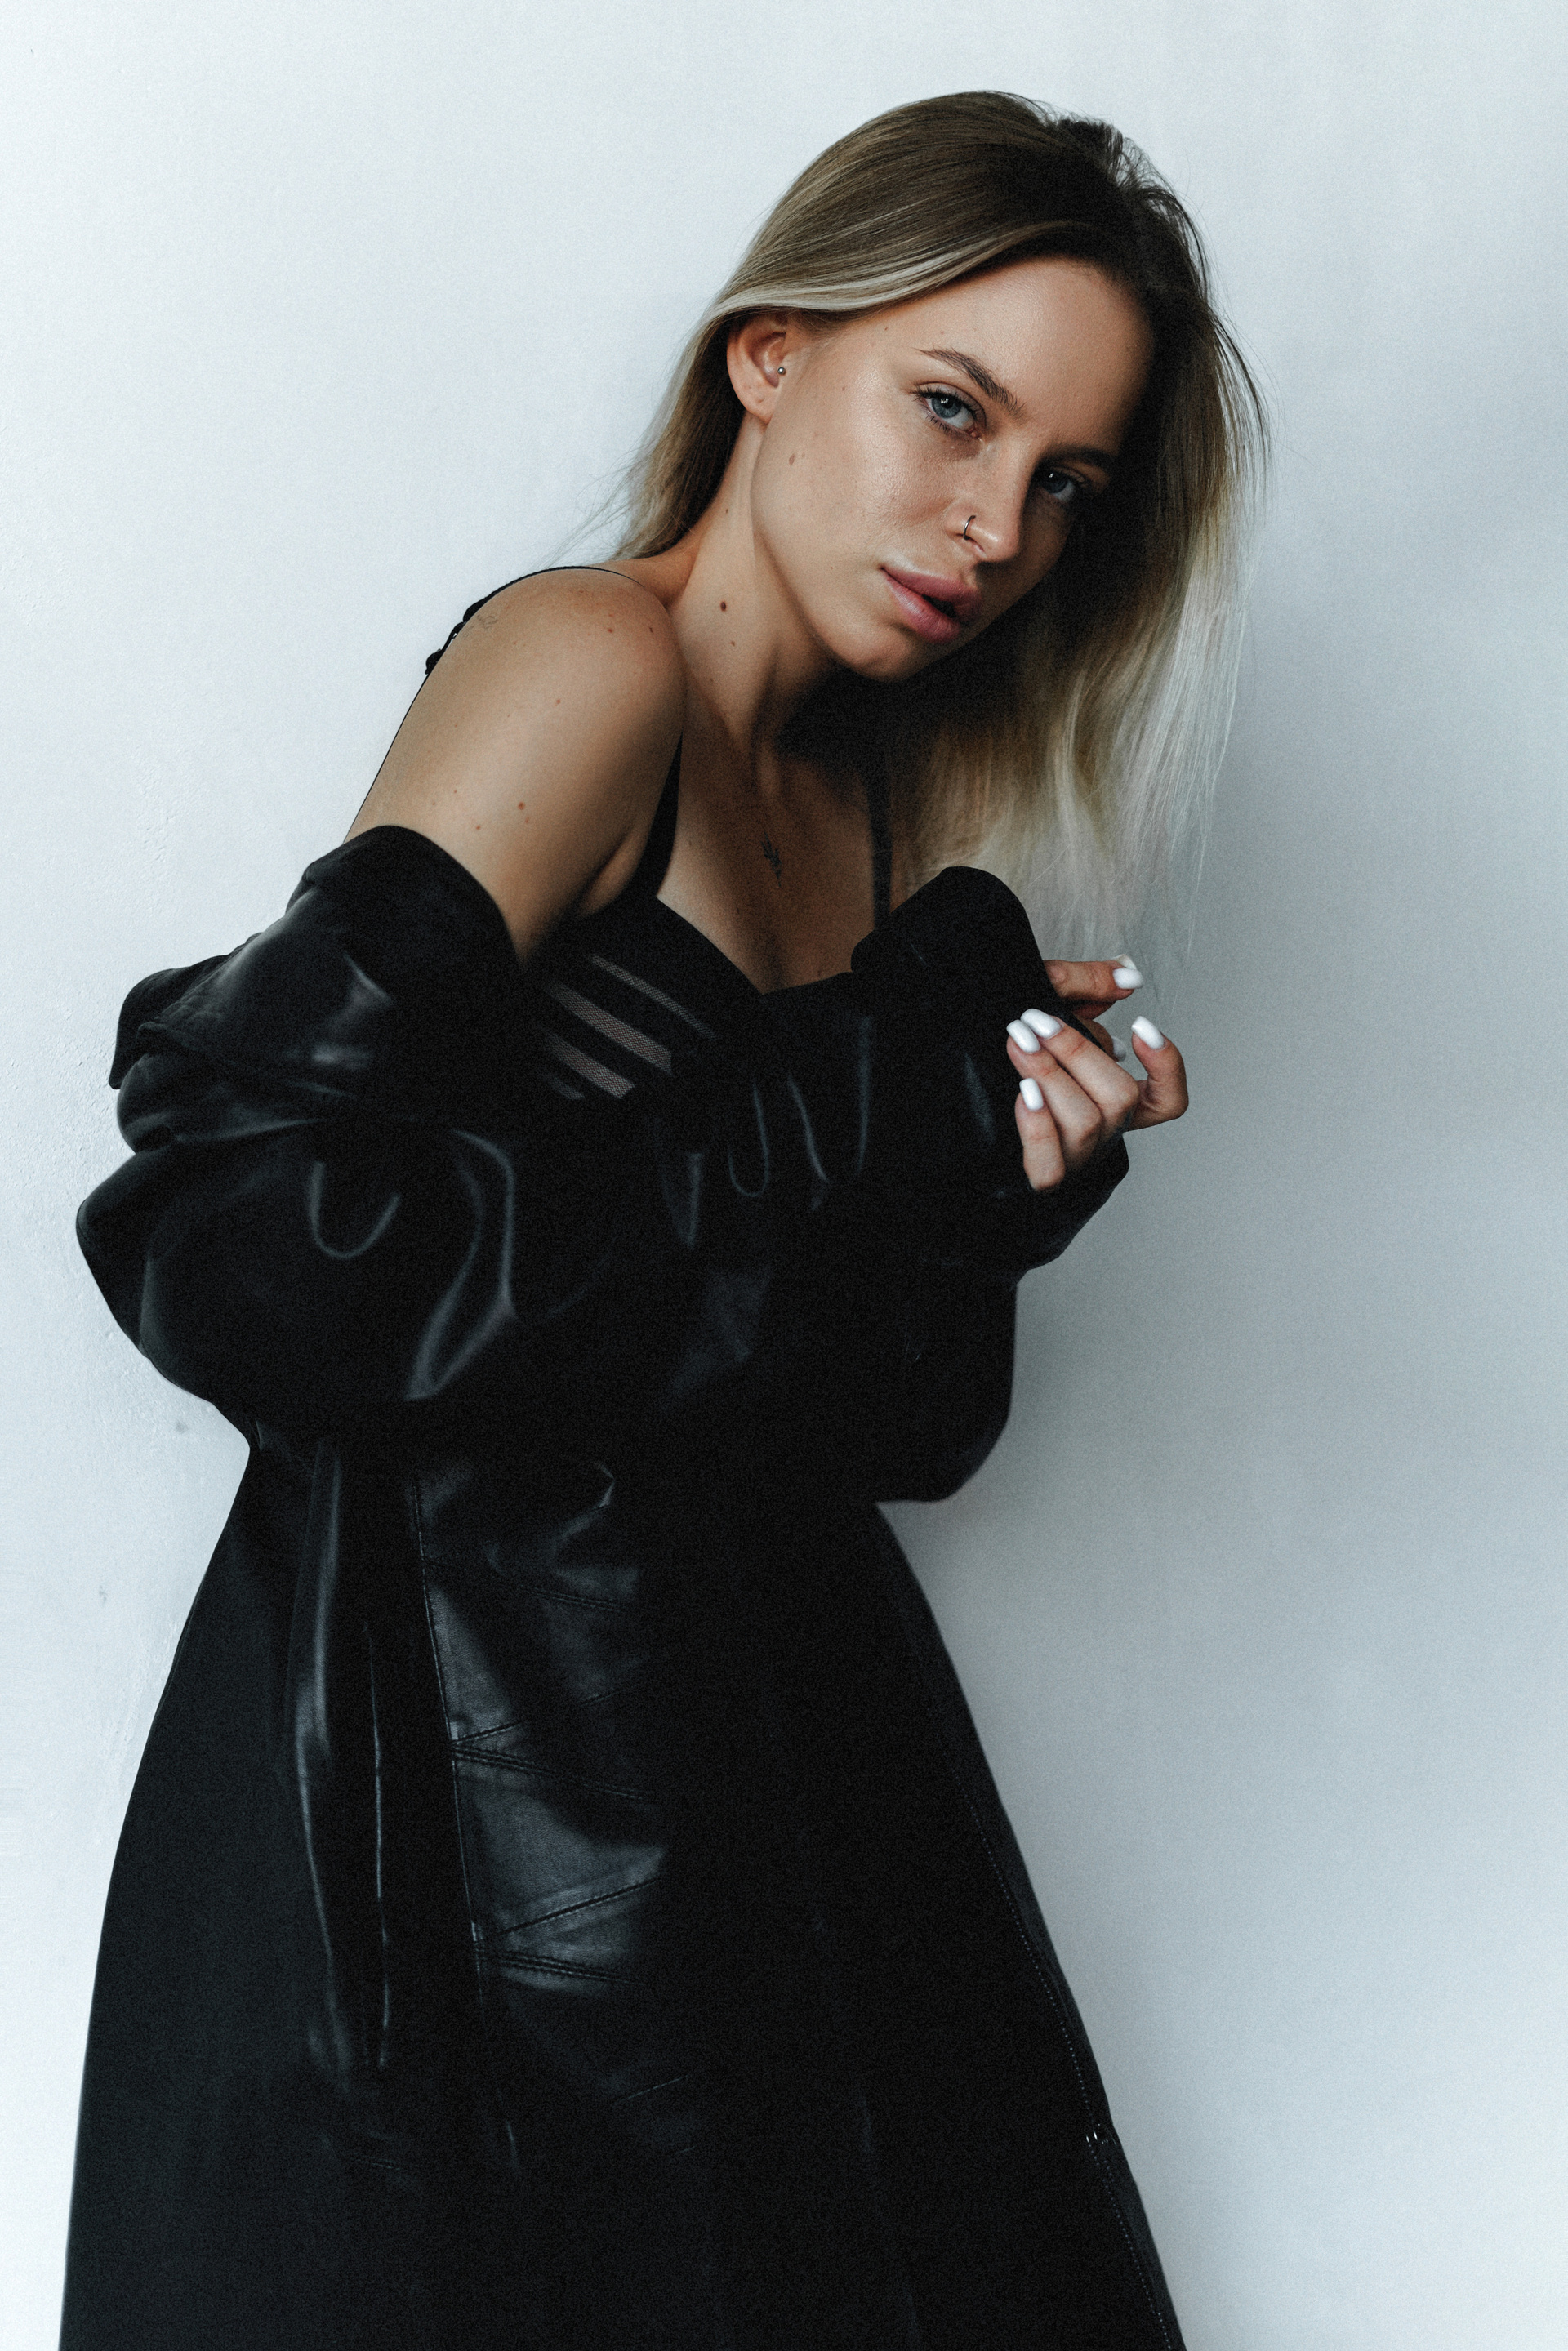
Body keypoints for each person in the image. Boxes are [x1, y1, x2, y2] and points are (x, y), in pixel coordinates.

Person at [61, 91, 1263, 2351]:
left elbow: (877, 1437)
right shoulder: (588, 664)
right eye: (954, 409)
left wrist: (989, 1198)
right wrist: (845, 1107)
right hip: (473, 1827)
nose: (995, 526)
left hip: (778, 1793)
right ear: (770, 356)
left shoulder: (878, 798)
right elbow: (237, 1231)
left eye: (1067, 485)